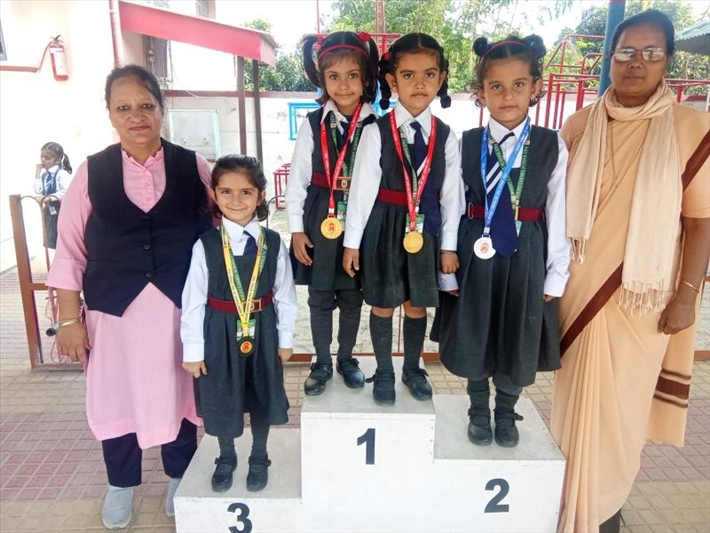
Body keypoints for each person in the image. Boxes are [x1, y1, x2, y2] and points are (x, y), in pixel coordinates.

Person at [550, 9, 710, 533]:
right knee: (573, 405)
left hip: (644, 302)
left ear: (668, 60)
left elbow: (701, 222)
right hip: (578, 292)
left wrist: (687, 296)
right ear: (610, 58)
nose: (636, 63)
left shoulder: (692, 128)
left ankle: (603, 510)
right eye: (626, 52)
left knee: (620, 412)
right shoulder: (578, 126)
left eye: (651, 53)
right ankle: (565, 503)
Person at [47, 64, 213, 530]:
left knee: (180, 390)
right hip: (113, 313)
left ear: (162, 108)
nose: (136, 116)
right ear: (110, 114)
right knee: (116, 396)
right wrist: (68, 320)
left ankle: (179, 476)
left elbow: (219, 231)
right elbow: (69, 251)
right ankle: (120, 483)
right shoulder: (90, 173)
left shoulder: (193, 166)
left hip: (177, 310)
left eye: (145, 105)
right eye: (123, 107)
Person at [432, 35, 570, 448]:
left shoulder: (550, 144)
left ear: (535, 87)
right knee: (474, 328)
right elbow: (452, 204)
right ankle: (478, 407)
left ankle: (506, 410)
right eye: (496, 86)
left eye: (518, 85)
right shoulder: (466, 143)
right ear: (480, 92)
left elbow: (560, 209)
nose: (507, 96)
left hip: (528, 252)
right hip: (475, 250)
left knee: (518, 332)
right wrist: (447, 258)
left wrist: (556, 273)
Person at [343, 33, 462, 405]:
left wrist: (449, 247)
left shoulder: (447, 136)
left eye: (429, 74)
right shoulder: (376, 131)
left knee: (416, 304)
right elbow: (361, 191)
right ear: (392, 81)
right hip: (383, 227)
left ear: (441, 79)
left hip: (425, 230)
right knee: (382, 302)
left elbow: (452, 197)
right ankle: (384, 371)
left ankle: (412, 368)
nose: (419, 83)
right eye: (408, 75)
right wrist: (351, 243)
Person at [181, 155, 297, 493]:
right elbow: (193, 301)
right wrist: (193, 351)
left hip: (263, 329)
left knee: (262, 391)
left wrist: (285, 340)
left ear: (261, 196)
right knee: (222, 393)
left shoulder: (273, 243)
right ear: (214, 195)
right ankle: (226, 456)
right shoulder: (205, 245)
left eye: (246, 192)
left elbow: (285, 294)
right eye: (226, 192)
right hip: (218, 331)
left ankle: (259, 455)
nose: (236, 200)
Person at [286, 31, 379, 396]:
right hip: (319, 220)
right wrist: (296, 229)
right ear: (322, 79)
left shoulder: (378, 125)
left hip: (362, 221)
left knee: (353, 297)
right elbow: (297, 180)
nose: (343, 85)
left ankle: (346, 358)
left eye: (352, 75)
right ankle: (322, 360)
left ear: (366, 78)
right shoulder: (312, 123)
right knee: (321, 297)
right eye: (334, 76)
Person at [34, 141, 73, 249]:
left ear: (57, 160)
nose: (43, 160)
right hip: (50, 210)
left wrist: (50, 197)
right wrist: (37, 174)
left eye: (47, 158)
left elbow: (67, 191)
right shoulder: (45, 175)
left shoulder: (62, 174)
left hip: (61, 209)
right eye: (42, 157)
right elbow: (38, 190)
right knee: (51, 236)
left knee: (62, 236)